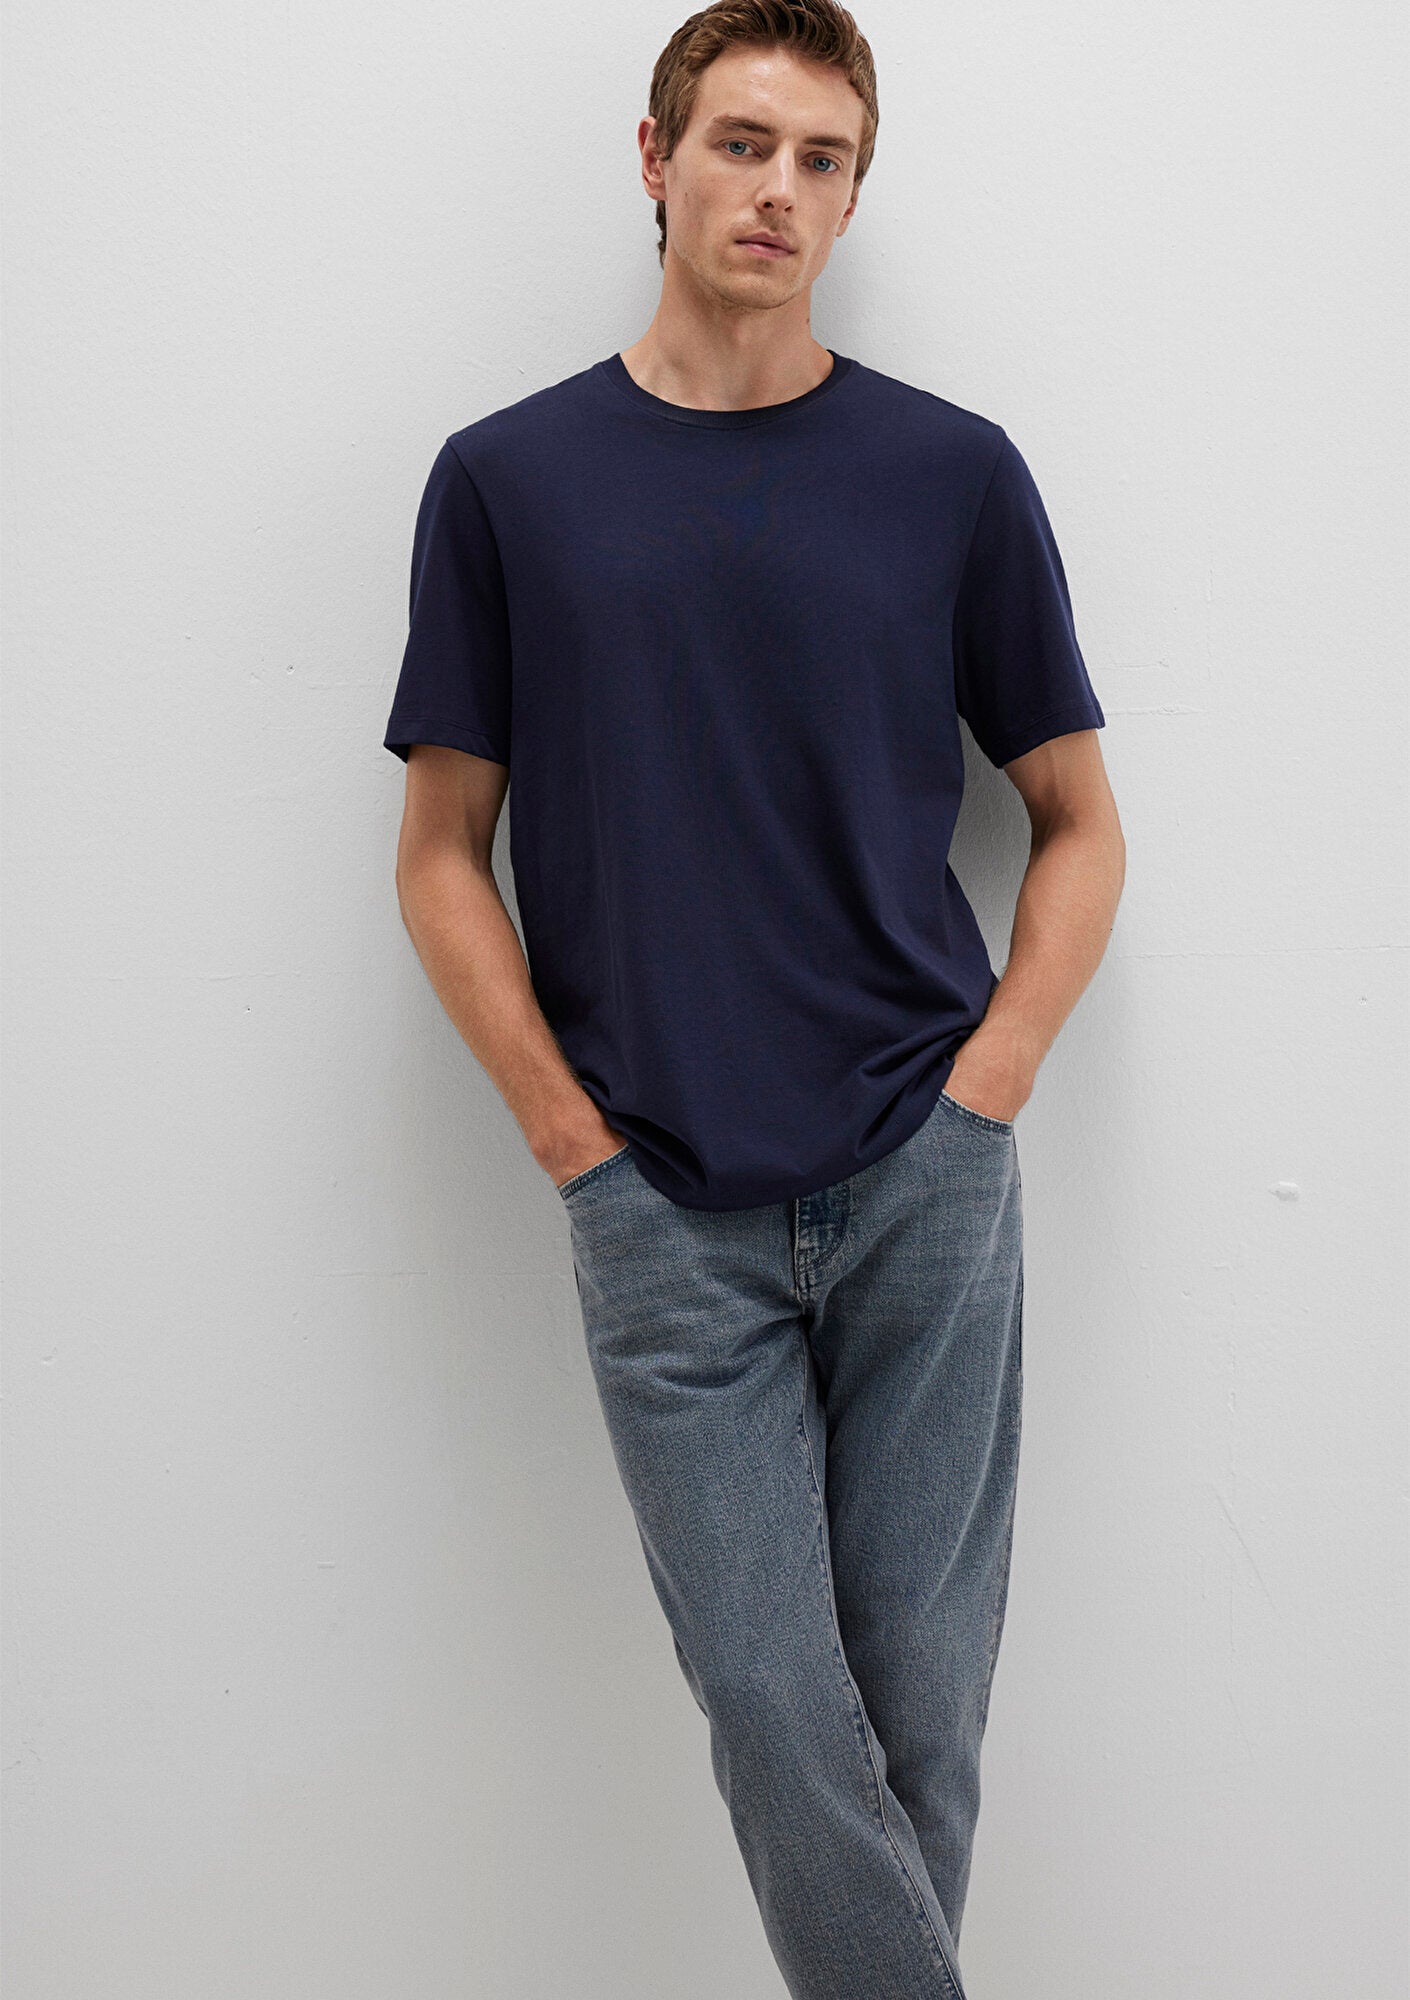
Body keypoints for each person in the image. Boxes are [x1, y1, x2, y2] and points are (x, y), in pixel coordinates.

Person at [383, 2, 1125, 1991]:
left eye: (821, 159)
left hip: (922, 1180)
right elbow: (442, 852)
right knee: (779, 1707)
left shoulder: (949, 474)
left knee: (922, 1720)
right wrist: (571, 1144)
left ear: (853, 195)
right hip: (657, 1198)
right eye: (739, 143)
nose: (777, 190)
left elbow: (1077, 822)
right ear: (655, 160)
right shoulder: (511, 482)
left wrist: (988, 1087)